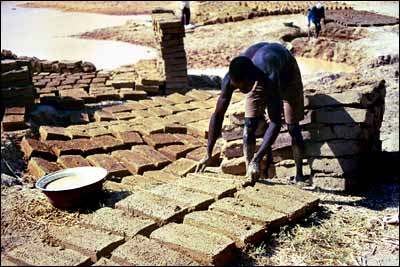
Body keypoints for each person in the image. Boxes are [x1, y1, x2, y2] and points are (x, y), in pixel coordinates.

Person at [195, 42, 307, 184]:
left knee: (293, 127)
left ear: (251, 79)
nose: (242, 91)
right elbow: (218, 115)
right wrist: (208, 153)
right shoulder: (231, 78)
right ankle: (250, 171)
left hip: (287, 73)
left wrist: (258, 158)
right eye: (238, 87)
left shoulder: (268, 75)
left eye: (244, 87)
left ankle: (299, 175)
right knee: (249, 124)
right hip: (257, 71)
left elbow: (275, 122)